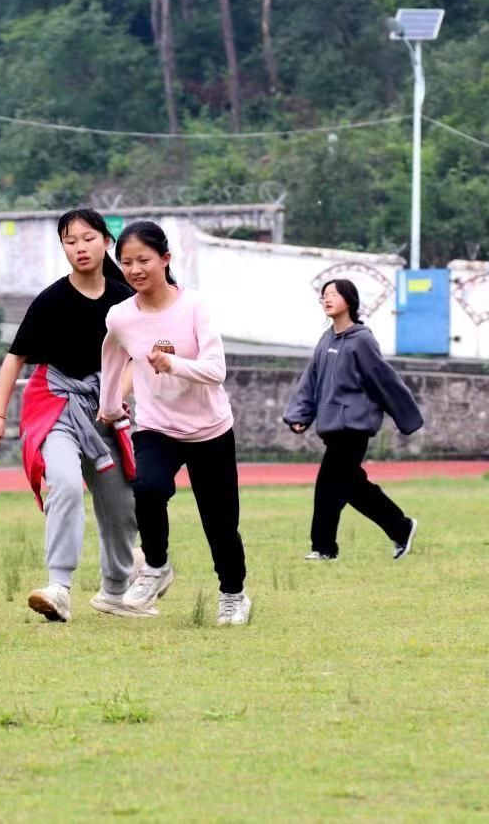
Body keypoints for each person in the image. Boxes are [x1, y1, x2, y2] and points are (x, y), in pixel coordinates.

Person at [0, 208, 147, 622]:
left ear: (106, 242)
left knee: (120, 504)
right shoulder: (51, 300)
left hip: (104, 409)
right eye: (70, 241)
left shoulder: (123, 299)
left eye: (88, 238)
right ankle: (59, 587)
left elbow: (135, 359)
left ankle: (115, 591)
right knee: (66, 485)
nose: (80, 247)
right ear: (63, 248)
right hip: (55, 404)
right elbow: (14, 359)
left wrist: (114, 399)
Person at [99, 221, 252, 626]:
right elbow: (112, 356)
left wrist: (174, 364)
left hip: (210, 430)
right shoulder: (121, 317)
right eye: (126, 262)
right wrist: (110, 403)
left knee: (220, 523)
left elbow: (217, 370)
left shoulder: (193, 307)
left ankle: (233, 594)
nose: (135, 269)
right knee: (148, 488)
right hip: (156, 426)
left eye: (143, 260)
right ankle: (156, 566)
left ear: (165, 260)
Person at [282, 278, 423, 561]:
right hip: (331, 426)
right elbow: (310, 380)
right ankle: (400, 526)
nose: (327, 299)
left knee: (330, 486)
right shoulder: (326, 340)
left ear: (350, 300)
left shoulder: (362, 340)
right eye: (324, 295)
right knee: (349, 485)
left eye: (334, 294)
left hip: (354, 427)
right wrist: (300, 415)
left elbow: (384, 379)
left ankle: (324, 548)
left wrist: (406, 416)